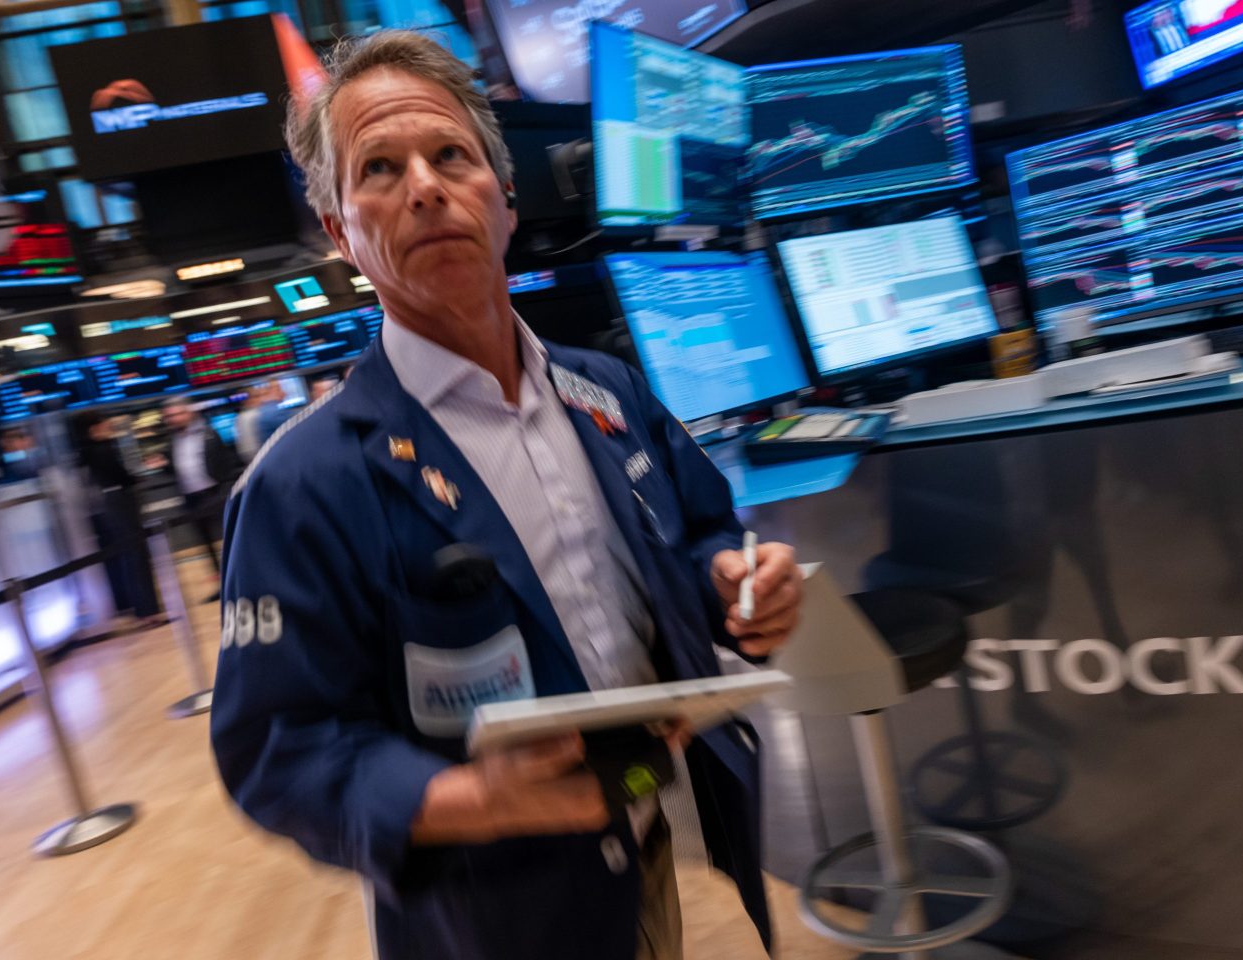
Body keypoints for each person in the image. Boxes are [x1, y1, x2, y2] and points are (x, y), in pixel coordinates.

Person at [209, 31, 802, 960]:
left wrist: (735, 580)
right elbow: (276, 748)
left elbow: (697, 531)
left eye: (451, 155)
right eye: (379, 168)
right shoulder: (301, 483)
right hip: (492, 918)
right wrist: (467, 800)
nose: (424, 186)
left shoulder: (606, 390)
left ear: (505, 195)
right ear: (339, 232)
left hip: (643, 846)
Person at [73, 411, 162, 625]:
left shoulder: (87, 453)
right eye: (105, 423)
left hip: (111, 504)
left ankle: (139, 609)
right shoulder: (103, 449)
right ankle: (148, 611)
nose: (109, 426)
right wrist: (138, 475)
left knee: (129, 556)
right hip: (121, 502)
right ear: (94, 428)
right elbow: (121, 476)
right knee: (137, 555)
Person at [158, 397, 242, 594]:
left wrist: (226, 487)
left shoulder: (209, 434)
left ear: (188, 413)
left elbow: (227, 462)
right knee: (206, 543)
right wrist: (164, 465)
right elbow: (176, 468)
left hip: (215, 493)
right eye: (169, 416)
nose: (173, 419)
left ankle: (242, 578)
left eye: (177, 414)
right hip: (191, 499)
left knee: (231, 537)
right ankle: (222, 585)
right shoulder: (172, 442)